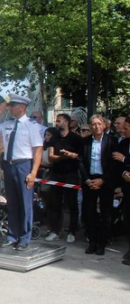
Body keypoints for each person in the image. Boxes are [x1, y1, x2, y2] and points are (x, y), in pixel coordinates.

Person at [0, 94, 43, 251]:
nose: (10, 108)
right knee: (12, 204)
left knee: (25, 204)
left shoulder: (31, 126)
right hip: (9, 165)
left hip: (23, 165)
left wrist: (33, 173)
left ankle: (24, 238)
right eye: (10, 105)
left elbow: (38, 150)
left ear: (22, 108)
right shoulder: (7, 124)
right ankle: (12, 236)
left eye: (13, 105)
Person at [77, 114, 120, 256]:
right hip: (90, 180)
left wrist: (103, 180)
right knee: (90, 213)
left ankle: (102, 243)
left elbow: (114, 164)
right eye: (94, 124)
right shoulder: (85, 142)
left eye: (99, 124)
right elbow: (81, 162)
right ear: (90, 126)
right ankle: (92, 242)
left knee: (106, 214)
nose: (97, 127)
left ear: (104, 125)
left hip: (105, 180)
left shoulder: (111, 141)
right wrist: (88, 180)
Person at [45, 113, 82, 243]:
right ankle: (55, 230)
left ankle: (72, 231)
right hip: (56, 174)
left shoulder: (76, 139)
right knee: (55, 203)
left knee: (72, 204)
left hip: (71, 174)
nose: (56, 123)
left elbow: (80, 156)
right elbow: (51, 157)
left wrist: (71, 155)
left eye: (59, 120)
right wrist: (64, 157)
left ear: (66, 122)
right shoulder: (54, 138)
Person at [111, 116, 130, 265]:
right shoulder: (123, 143)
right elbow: (117, 165)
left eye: (126, 128)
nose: (123, 130)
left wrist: (124, 160)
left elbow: (122, 160)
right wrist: (123, 173)